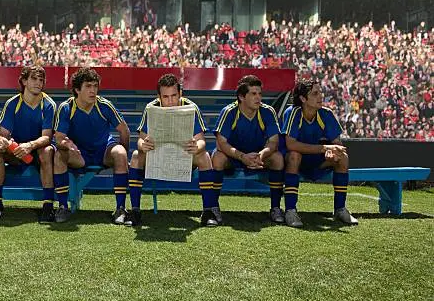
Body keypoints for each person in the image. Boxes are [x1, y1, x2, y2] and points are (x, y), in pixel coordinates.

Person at [127, 73, 219, 227]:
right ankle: (135, 211)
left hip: (184, 157)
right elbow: (141, 139)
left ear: (180, 94)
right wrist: (143, 145)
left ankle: (208, 211)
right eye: (165, 97)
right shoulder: (151, 108)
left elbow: (201, 140)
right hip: (157, 156)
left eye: (174, 96)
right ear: (159, 96)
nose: (170, 102)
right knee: (137, 155)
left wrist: (197, 147)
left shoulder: (191, 107)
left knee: (204, 157)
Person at [53, 68, 130, 223]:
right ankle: (62, 207)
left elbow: (124, 131)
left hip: (103, 151)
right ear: (77, 89)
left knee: (120, 153)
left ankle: (120, 208)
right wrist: (67, 145)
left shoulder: (104, 105)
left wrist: (122, 156)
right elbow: (59, 138)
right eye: (88, 86)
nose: (93, 90)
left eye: (95, 86)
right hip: (78, 153)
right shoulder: (66, 107)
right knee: (58, 155)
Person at [282, 78, 358, 228]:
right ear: (303, 99)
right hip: (296, 161)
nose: (320, 96)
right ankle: (290, 210)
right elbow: (291, 144)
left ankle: (340, 209)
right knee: (294, 155)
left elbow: (337, 144)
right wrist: (324, 148)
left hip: (317, 160)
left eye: (320, 92)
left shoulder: (326, 114)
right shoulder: (292, 112)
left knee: (342, 157)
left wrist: (333, 152)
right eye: (315, 93)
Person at [211, 75, 285, 224]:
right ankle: (213, 208)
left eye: (260, 93)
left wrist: (261, 155)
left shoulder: (268, 111)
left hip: (258, 157)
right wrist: (242, 156)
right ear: (241, 97)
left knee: (277, 158)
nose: (258, 97)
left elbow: (274, 142)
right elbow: (222, 144)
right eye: (253, 94)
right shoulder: (229, 112)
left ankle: (276, 208)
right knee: (217, 158)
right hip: (234, 156)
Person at [0, 65, 56, 222]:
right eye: (34, 78)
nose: (38, 83)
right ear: (24, 81)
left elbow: (46, 137)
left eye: (41, 80)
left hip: (37, 150)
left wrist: (30, 145)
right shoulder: (12, 103)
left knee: (46, 151)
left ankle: (48, 206)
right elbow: (2, 134)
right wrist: (2, 142)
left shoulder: (48, 104)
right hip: (17, 150)